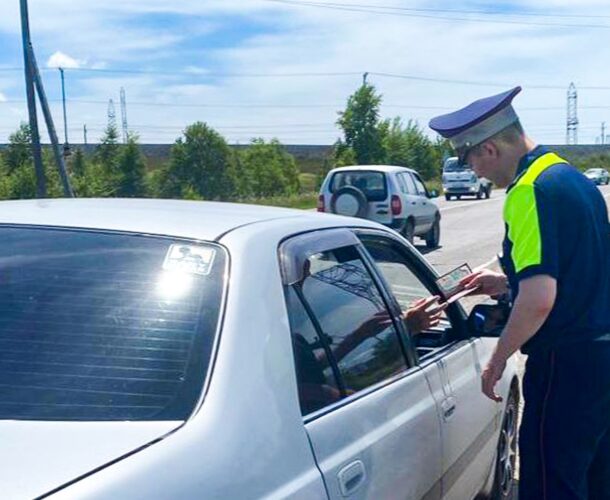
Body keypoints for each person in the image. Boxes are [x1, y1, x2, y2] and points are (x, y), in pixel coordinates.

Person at [429, 87, 610, 500]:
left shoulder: (528, 191)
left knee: (550, 483)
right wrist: (508, 283)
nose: (474, 172)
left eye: (468, 159)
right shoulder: (569, 177)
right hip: (600, 360)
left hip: (567, 363)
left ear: (488, 148)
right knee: (594, 479)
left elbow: (540, 299)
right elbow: (578, 273)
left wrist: (497, 360)